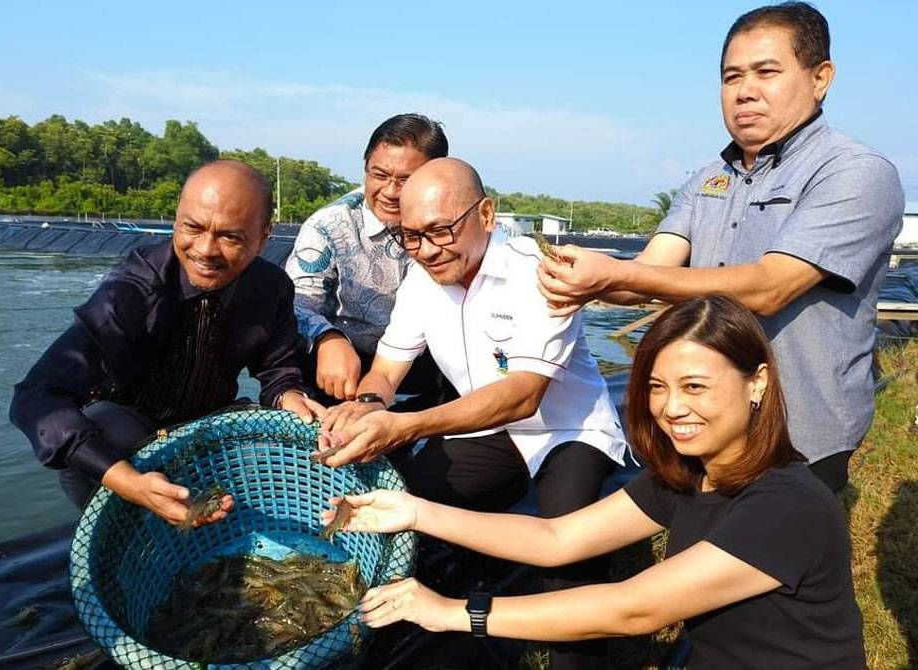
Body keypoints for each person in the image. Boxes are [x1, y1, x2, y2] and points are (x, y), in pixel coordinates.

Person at [327, 295, 866, 670]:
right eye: (656, 386)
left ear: (758, 383)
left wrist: (452, 613)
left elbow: (633, 609)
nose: (672, 408)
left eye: (695, 385)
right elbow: (557, 539)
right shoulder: (687, 477)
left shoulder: (788, 504)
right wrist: (414, 510)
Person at [537, 1, 904, 493]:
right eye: (732, 77)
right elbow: (650, 271)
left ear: (821, 78)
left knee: (778, 564)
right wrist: (574, 277)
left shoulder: (854, 173)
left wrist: (617, 275)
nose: (745, 91)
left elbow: (770, 288)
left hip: (801, 433)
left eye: (766, 72)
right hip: (709, 425)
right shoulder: (710, 178)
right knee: (694, 557)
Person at [317, 157, 627, 670]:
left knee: (569, 559)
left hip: (566, 429)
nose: (427, 251)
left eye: (440, 231)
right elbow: (387, 371)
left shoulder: (537, 272)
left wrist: (406, 425)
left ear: (485, 214)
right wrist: (367, 406)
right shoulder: (421, 280)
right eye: (410, 237)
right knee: (406, 492)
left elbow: (522, 396)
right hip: (487, 428)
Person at [10, 160, 323, 525]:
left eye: (231, 237)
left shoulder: (272, 288)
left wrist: (291, 397)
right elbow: (35, 395)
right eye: (193, 227)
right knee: (108, 427)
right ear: (177, 217)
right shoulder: (132, 291)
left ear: (264, 236)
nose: (206, 250)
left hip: (207, 424)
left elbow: (277, 369)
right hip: (122, 438)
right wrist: (128, 482)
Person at [285, 113, 454, 408]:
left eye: (405, 180)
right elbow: (298, 304)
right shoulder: (329, 225)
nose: (389, 192)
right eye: (379, 175)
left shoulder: (455, 221)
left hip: (424, 354)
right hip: (347, 357)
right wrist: (328, 337)